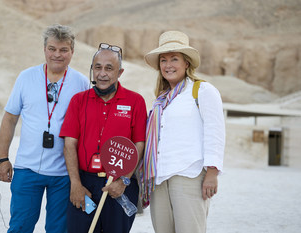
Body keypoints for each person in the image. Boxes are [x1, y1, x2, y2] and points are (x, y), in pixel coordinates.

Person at [0, 24, 90, 233]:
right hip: (27, 170)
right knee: (20, 226)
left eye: (64, 50)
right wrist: (3, 159)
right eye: (52, 48)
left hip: (64, 174)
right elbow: (10, 119)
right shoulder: (26, 77)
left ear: (72, 52)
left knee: (60, 230)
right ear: (44, 49)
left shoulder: (81, 83)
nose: (57, 54)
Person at [139, 31, 225, 233]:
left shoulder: (202, 90)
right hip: (159, 179)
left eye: (174, 59)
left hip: (189, 175)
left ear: (186, 63)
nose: (168, 65)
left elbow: (215, 131)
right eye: (163, 60)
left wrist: (212, 172)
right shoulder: (161, 100)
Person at [59, 43, 147, 233]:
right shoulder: (78, 100)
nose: (102, 73)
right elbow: (69, 144)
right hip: (84, 184)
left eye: (109, 68)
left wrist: (123, 181)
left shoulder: (135, 101)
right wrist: (75, 184)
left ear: (120, 72)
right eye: (97, 67)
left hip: (120, 186)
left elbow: (139, 145)